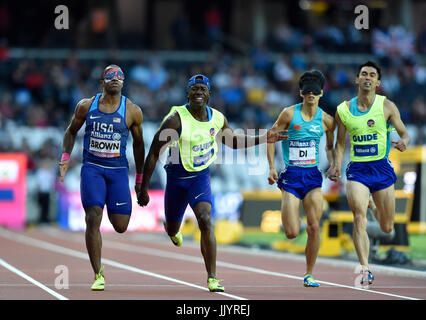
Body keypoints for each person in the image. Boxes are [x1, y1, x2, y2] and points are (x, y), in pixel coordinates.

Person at [138, 74, 287, 292]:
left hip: (200, 177)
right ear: (187, 93)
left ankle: (212, 277)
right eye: (194, 89)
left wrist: (264, 137)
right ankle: (172, 230)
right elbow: (152, 154)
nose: (198, 92)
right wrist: (143, 188)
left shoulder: (217, 118)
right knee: (172, 228)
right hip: (176, 179)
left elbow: (233, 142)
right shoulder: (175, 120)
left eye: (202, 89)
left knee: (206, 219)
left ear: (209, 94)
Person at [59, 65, 145, 291]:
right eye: (110, 75)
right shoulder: (86, 105)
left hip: (117, 172)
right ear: (102, 81)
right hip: (92, 168)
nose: (115, 78)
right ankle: (98, 273)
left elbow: (138, 144)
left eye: (119, 76)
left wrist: (140, 179)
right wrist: (66, 156)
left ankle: (108, 205)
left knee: (121, 226)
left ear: (124, 82)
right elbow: (71, 131)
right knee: (92, 217)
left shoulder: (132, 111)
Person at [330, 61, 410, 286]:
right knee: (358, 217)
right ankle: (365, 268)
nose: (367, 77)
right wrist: (336, 164)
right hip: (358, 170)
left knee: (387, 227)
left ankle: (374, 205)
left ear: (378, 82)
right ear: (357, 79)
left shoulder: (387, 106)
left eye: (372, 75)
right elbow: (339, 144)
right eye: (363, 74)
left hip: (382, 169)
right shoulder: (343, 110)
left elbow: (405, 134)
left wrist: (403, 142)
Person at [267, 70, 336, 287]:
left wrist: (333, 164)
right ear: (301, 93)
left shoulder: (326, 120)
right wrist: (272, 168)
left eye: (315, 93)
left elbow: (329, 146)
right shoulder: (288, 114)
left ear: (321, 94)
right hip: (292, 176)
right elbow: (270, 137)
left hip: (313, 175)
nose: (311, 96)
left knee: (314, 227)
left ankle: (309, 274)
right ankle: (290, 217)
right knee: (291, 233)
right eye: (307, 93)